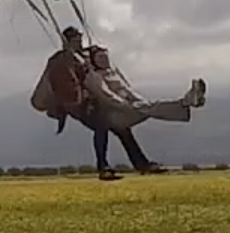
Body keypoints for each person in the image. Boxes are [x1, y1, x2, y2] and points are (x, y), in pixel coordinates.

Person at [75, 42, 207, 180]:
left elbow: (128, 90)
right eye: (100, 57)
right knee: (146, 111)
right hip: (115, 113)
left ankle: (186, 101)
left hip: (125, 109)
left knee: (148, 110)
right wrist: (128, 106)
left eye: (105, 56)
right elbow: (106, 95)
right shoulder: (93, 77)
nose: (105, 60)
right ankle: (186, 101)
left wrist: (140, 103)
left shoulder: (113, 73)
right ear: (94, 61)